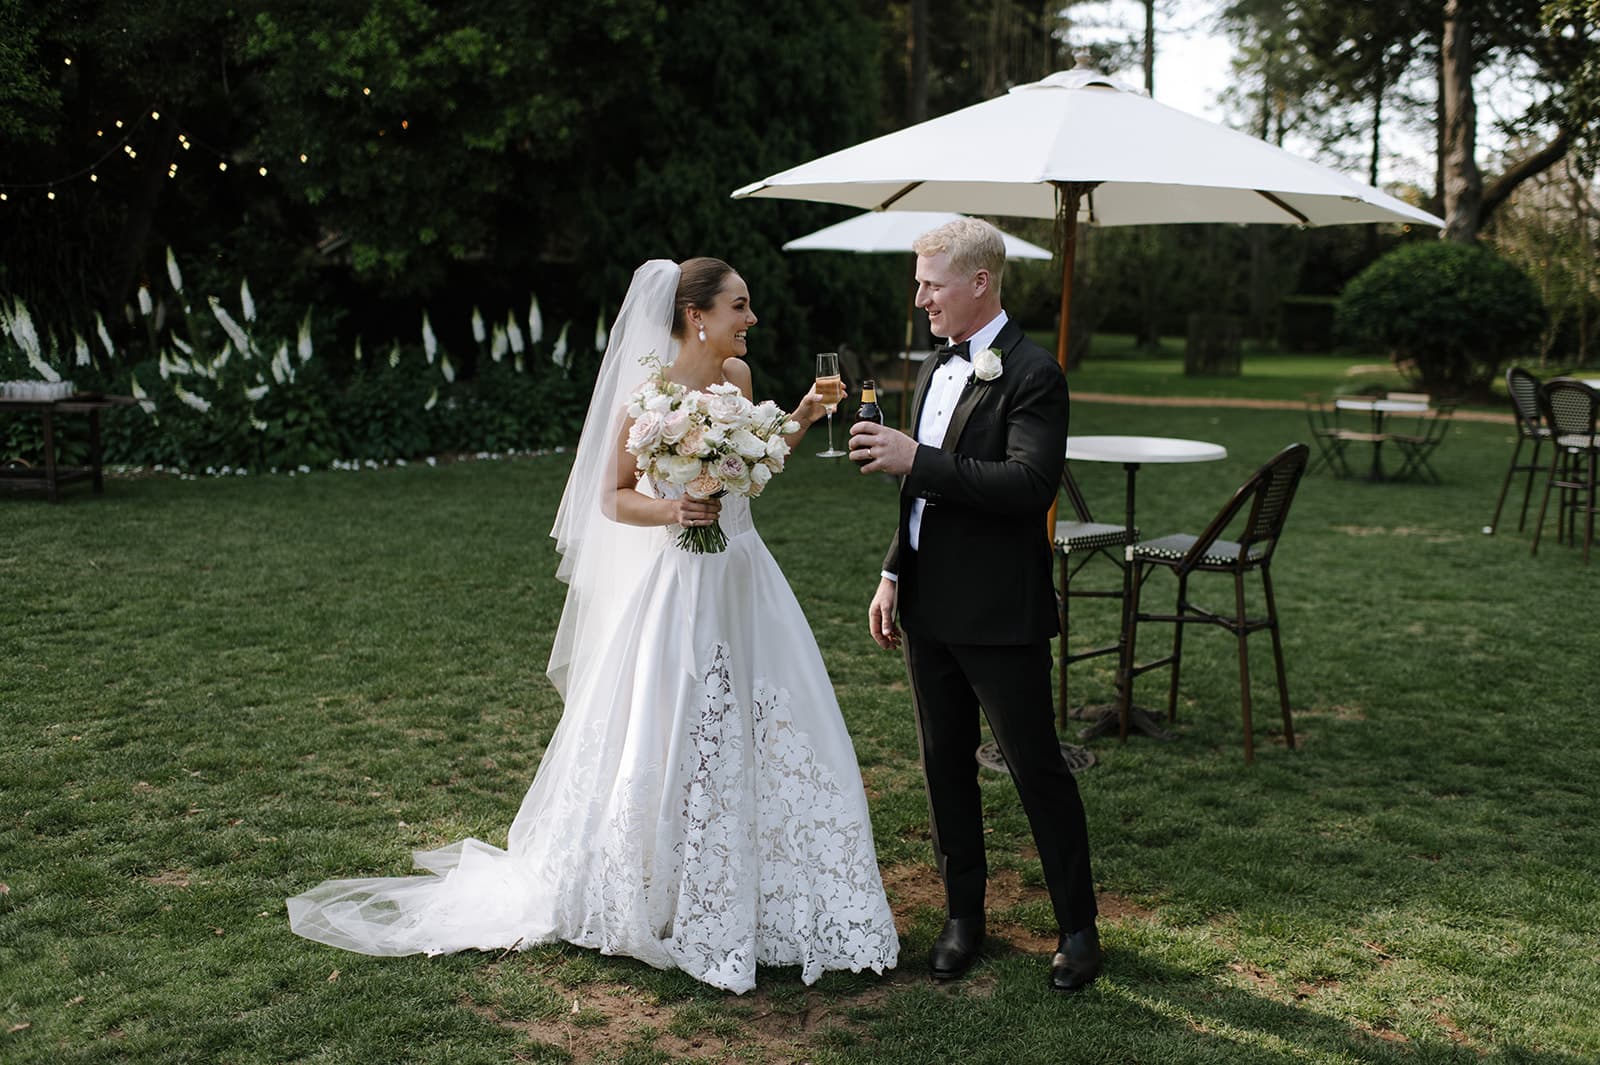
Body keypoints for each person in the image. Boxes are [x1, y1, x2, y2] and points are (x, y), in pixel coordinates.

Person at [288, 258, 899, 994]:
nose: (752, 319)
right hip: (681, 580)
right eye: (741, 305)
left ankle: (770, 885)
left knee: (766, 720)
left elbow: (756, 464)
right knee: (673, 724)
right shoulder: (648, 393)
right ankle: (656, 880)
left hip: (745, 574)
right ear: (697, 314)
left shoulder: (737, 383)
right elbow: (612, 498)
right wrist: (675, 508)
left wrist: (798, 416)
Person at [846, 219, 1100, 993]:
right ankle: (964, 915)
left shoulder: (1032, 372)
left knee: (1036, 768)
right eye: (919, 282)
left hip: (999, 611)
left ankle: (1078, 927)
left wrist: (916, 459)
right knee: (943, 764)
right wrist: (894, 571)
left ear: (980, 282)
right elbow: (921, 499)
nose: (919, 296)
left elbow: (1030, 487)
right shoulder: (930, 367)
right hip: (926, 604)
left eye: (931, 282)